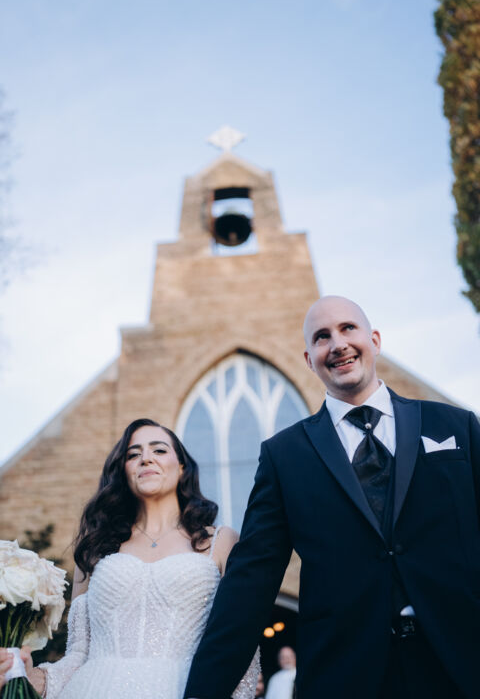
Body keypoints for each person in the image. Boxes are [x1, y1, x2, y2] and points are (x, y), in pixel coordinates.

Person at [184, 296, 480, 698]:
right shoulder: (285, 456)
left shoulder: (455, 426)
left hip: (461, 662)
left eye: (348, 329)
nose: (338, 344)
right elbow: (251, 580)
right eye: (322, 337)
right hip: (345, 675)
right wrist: (203, 691)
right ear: (310, 360)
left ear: (375, 340)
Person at [0, 418, 258, 698]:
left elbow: (240, 643)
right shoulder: (96, 548)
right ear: (123, 471)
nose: (146, 458)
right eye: (133, 454)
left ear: (182, 466)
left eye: (159, 450)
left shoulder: (220, 542)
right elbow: (78, 656)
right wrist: (23, 675)